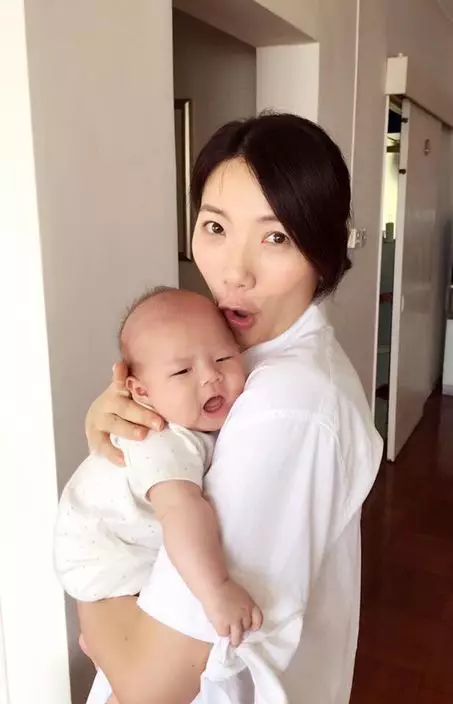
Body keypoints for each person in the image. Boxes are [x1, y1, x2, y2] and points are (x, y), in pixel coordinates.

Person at [79, 113, 383, 704]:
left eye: (277, 237)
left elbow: (151, 686)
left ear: (323, 249)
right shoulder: (231, 359)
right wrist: (119, 432)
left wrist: (90, 602)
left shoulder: (287, 406)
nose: (233, 272)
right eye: (215, 226)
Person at [55, 287, 262, 649]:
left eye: (224, 358)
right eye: (182, 371)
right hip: (101, 555)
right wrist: (217, 590)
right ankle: (104, 650)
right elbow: (182, 512)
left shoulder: (195, 420)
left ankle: (103, 649)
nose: (210, 377)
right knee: (165, 619)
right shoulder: (162, 437)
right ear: (141, 392)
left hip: (102, 544)